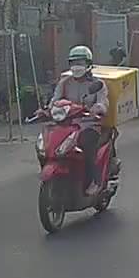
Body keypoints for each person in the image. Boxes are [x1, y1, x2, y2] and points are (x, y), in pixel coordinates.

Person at [50, 45, 109, 195]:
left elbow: (103, 103)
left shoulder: (97, 84)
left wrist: (97, 108)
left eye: (80, 63)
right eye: (73, 63)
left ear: (88, 64)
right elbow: (54, 101)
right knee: (49, 143)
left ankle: (95, 181)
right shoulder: (64, 83)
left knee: (87, 144)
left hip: (89, 125)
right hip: (67, 125)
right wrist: (47, 109)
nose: (76, 67)